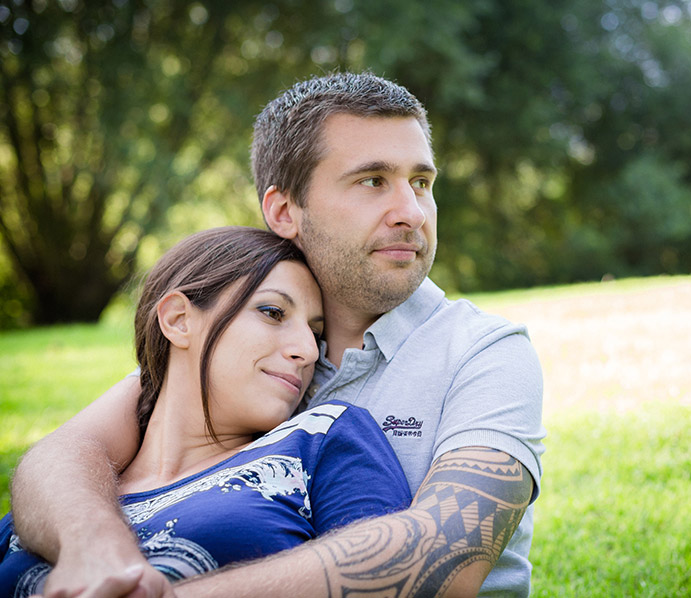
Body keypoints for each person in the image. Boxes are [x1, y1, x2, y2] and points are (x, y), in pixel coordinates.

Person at [10, 72, 545, 598]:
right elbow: (63, 454)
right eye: (372, 181)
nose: (411, 212)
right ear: (285, 210)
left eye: (421, 183)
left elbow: (448, 551)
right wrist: (95, 549)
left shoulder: (483, 351)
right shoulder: (236, 345)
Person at [0, 226, 412, 596]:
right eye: (273, 312)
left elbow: (390, 576)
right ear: (179, 319)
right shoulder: (53, 498)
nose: (306, 351)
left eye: (316, 334)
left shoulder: (325, 439)